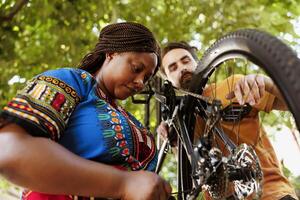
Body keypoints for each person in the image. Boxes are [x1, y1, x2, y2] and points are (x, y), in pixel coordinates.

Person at [0, 22, 172, 200]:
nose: (140, 83)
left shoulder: (130, 119)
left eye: (146, 78)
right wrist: (123, 184)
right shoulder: (73, 81)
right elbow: (9, 149)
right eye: (136, 69)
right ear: (111, 54)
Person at [156, 41, 298, 200]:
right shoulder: (180, 122)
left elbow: (293, 100)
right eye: (173, 67)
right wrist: (172, 136)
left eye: (186, 60)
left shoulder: (231, 85)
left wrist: (266, 83)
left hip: (270, 193)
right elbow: (192, 175)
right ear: (167, 79)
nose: (182, 68)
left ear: (198, 62)